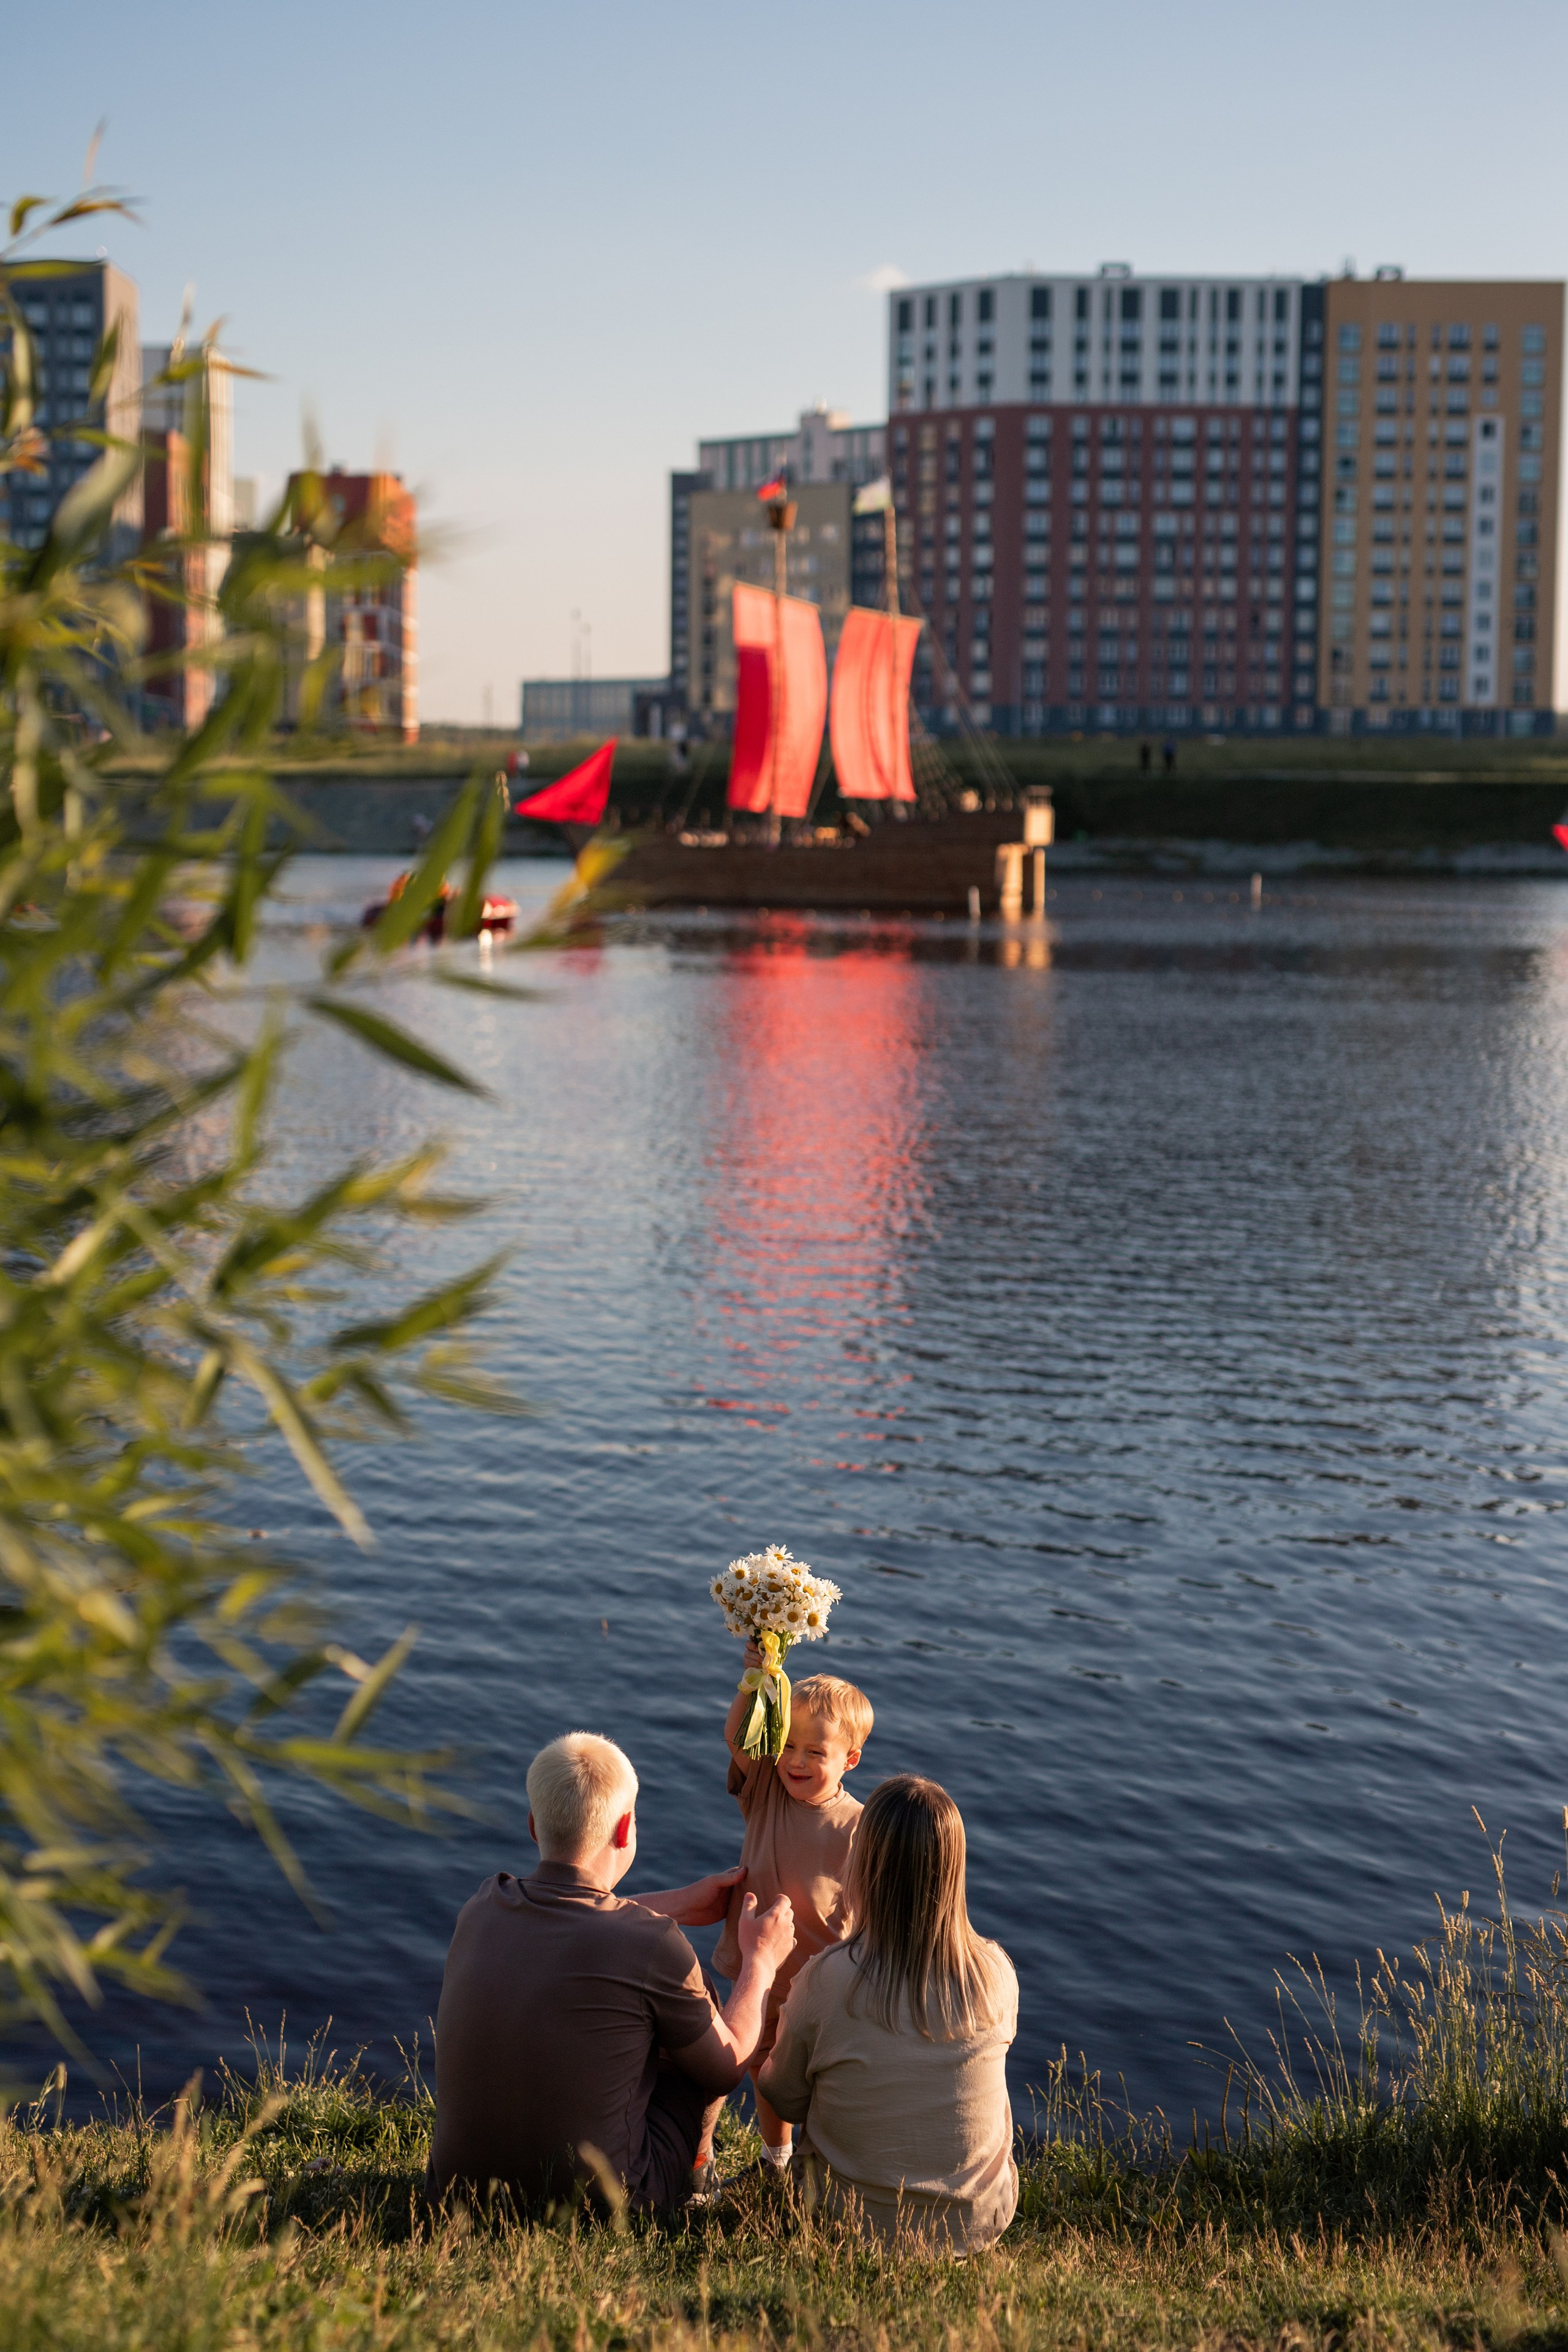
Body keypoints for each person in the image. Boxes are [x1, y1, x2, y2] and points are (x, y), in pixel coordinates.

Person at [426, 1732, 794, 2216]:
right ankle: (694, 2182)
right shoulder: (653, 1943)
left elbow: (565, 1924)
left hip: (458, 2193)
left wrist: (675, 1904)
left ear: (535, 1827)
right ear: (626, 1830)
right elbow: (726, 2064)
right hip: (603, 2207)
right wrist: (760, 1962)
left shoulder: (482, 1905)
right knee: (699, 2019)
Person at [757, 1775, 1018, 2252]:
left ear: (861, 1865)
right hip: (976, 2224)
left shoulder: (827, 1980)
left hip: (845, 2219)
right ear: (955, 1869)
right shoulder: (996, 1974)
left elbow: (783, 2096)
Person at [714, 1664, 872, 2171]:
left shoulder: (861, 1827)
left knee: (819, 2072)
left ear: (850, 1759)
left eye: (815, 1752)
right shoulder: (765, 1791)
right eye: (786, 1745)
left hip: (822, 1980)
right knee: (761, 2068)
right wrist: (754, 1677)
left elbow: (867, 1912)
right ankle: (775, 2157)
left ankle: (821, 2156)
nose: (795, 1762)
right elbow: (737, 1736)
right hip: (758, 1969)